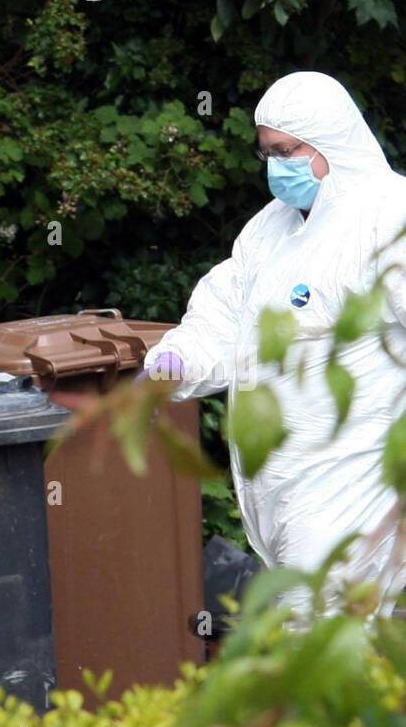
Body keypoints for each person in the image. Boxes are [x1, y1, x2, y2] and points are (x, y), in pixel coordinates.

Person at [144, 71, 406, 611]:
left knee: (314, 640)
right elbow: (220, 317)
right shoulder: (269, 230)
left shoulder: (389, 219)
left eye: (289, 150)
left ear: (333, 143)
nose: (278, 166)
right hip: (285, 485)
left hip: (356, 482)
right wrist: (176, 359)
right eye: (268, 153)